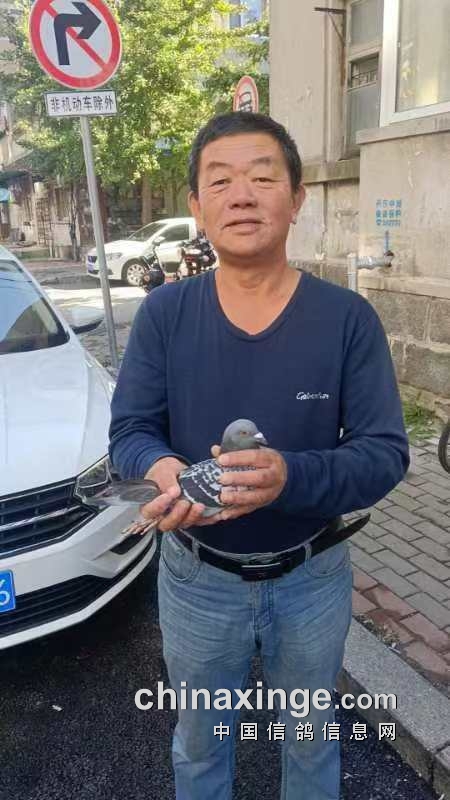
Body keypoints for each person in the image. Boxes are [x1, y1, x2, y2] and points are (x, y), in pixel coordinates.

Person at [109, 112, 410, 800]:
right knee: (199, 743)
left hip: (312, 577)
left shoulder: (346, 319)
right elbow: (130, 432)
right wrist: (164, 472)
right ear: (197, 205)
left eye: (263, 177)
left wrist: (289, 476)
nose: (241, 196)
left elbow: (385, 454)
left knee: (311, 740)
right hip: (197, 579)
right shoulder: (164, 315)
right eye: (220, 181)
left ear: (297, 198)